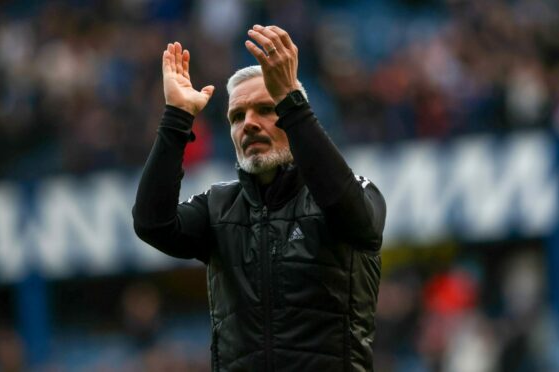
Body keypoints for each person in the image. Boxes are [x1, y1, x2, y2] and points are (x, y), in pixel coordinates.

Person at [133, 24, 386, 371]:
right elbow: (151, 223)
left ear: (295, 114)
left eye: (266, 109)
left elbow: (354, 216)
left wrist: (291, 101)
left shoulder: (357, 192)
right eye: (237, 116)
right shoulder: (218, 207)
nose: (248, 124)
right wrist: (177, 118)